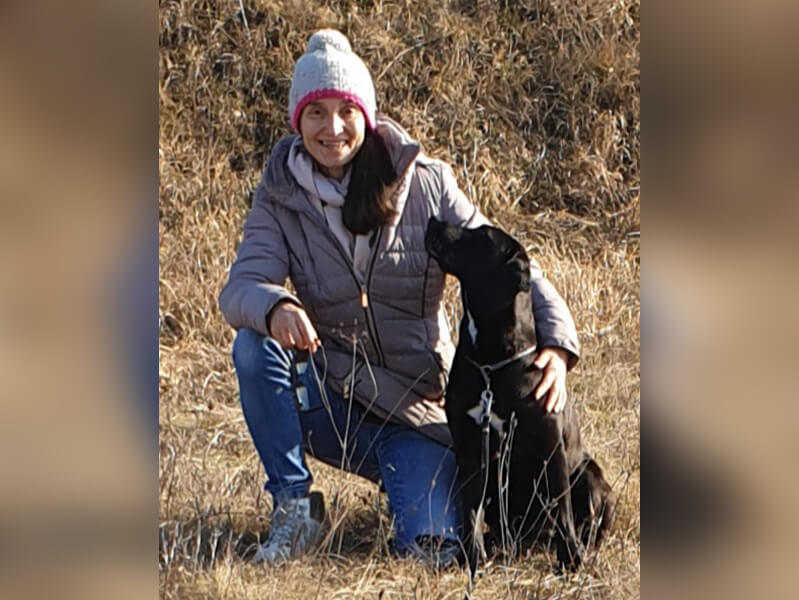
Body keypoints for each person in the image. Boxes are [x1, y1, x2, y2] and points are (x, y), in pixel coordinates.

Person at [219, 29, 580, 566]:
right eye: (316, 112)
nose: (332, 128)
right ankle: (295, 509)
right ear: (298, 120)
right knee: (255, 347)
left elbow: (508, 260)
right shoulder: (279, 193)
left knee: (430, 553)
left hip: (418, 410)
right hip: (335, 399)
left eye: (346, 110)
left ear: (366, 114)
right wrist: (277, 307)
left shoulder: (425, 184)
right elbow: (241, 287)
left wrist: (556, 343)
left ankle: (410, 485)